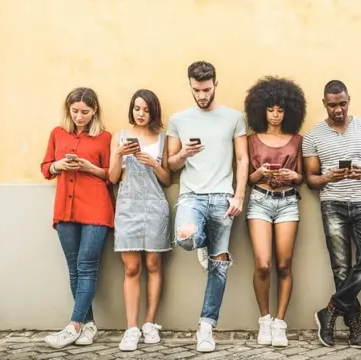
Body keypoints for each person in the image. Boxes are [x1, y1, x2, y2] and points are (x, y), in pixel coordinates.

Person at [167, 61, 249, 353]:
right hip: (191, 197)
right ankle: (200, 240)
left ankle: (206, 327)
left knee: (219, 265)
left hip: (223, 198)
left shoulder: (234, 118)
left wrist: (239, 196)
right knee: (186, 238)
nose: (202, 95)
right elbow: (170, 163)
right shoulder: (178, 119)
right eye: (196, 90)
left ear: (215, 84)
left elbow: (242, 159)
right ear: (190, 86)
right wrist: (183, 154)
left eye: (206, 89)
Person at [304, 80, 361, 349]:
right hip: (332, 204)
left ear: (349, 99)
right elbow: (311, 180)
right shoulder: (313, 136)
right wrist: (328, 176)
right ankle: (355, 328)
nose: (338, 109)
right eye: (333, 105)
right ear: (324, 103)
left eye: (343, 103)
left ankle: (330, 310)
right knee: (341, 268)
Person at [40, 87, 113, 349]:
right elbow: (45, 168)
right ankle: (88, 325)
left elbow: (111, 175)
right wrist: (58, 165)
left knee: (87, 265)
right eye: (75, 111)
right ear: (68, 110)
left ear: (94, 112)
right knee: (74, 268)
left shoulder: (105, 138)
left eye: (85, 112)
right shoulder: (57, 134)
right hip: (65, 210)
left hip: (96, 209)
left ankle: (72, 325)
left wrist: (88, 167)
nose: (80, 116)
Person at [244, 76, 307, 347]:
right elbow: (246, 178)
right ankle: (265, 320)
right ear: (261, 110)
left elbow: (302, 176)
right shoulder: (251, 140)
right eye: (270, 109)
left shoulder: (296, 139)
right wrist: (258, 173)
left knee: (283, 265)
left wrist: (293, 175)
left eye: (281, 109)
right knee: (262, 264)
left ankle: (279, 323)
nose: (275, 115)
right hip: (259, 200)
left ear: (289, 111)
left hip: (288, 202)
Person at [108, 89, 171, 351]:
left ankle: (149, 323)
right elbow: (112, 178)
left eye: (146, 109)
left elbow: (167, 180)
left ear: (153, 111)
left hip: (155, 207)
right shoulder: (119, 137)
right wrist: (119, 154)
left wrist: (153, 163)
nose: (141, 113)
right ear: (131, 110)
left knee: (154, 264)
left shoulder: (162, 139)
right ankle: (131, 327)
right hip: (127, 207)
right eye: (137, 108)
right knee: (131, 268)